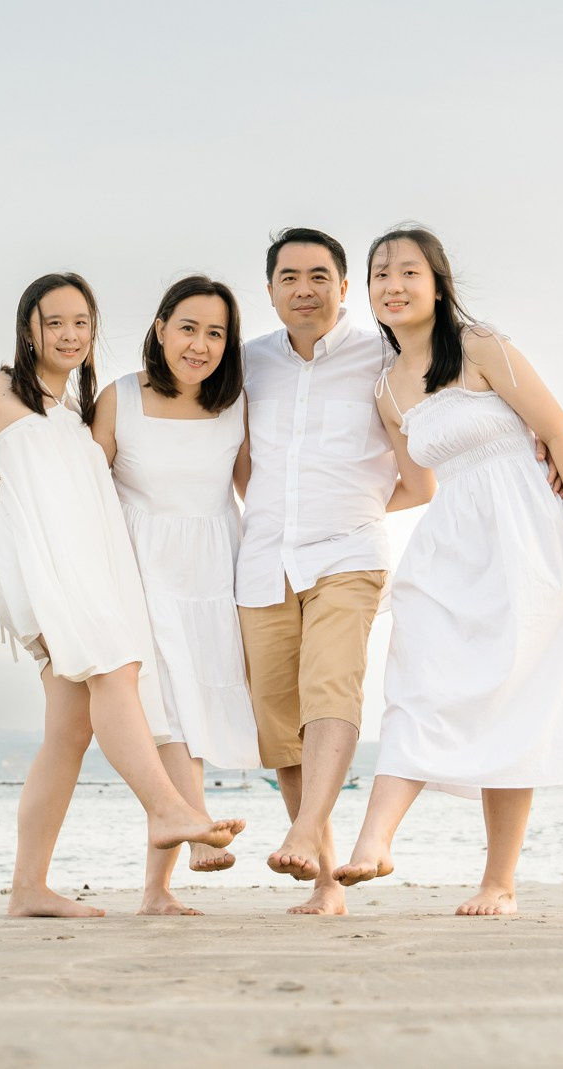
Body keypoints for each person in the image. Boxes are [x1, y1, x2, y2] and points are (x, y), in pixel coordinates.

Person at [0, 272, 244, 919]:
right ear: (27, 328)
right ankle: (169, 809)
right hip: (42, 569)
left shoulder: (74, 417)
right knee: (116, 670)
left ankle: (27, 887)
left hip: (88, 568)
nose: (68, 334)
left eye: (80, 322)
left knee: (68, 730)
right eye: (53, 321)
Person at [335, 226, 563, 916]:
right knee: (415, 678)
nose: (393, 285)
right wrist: (335, 515)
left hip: (526, 539)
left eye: (408, 271)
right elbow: (416, 485)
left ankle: (499, 882)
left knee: (511, 699)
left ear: (438, 283)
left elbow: (557, 434)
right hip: (447, 548)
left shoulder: (482, 346)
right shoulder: (385, 388)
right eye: (380, 274)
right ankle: (374, 839)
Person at [237, 227, 434, 915]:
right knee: (279, 718)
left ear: (344, 287)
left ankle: (300, 831)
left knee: (331, 683)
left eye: (319, 276)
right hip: (262, 558)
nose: (304, 289)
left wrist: (357, 506)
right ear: (269, 291)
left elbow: (423, 480)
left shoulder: (382, 354)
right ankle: (324, 880)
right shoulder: (248, 363)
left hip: (348, 551)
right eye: (289, 277)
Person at [92, 275, 261, 915]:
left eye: (215, 333)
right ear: (160, 328)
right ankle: (189, 834)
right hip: (139, 568)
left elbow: (257, 492)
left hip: (215, 573)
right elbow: (82, 482)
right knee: (165, 708)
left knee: (192, 708)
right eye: (187, 327)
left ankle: (160, 884)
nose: (200, 344)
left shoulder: (235, 405)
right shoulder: (119, 398)